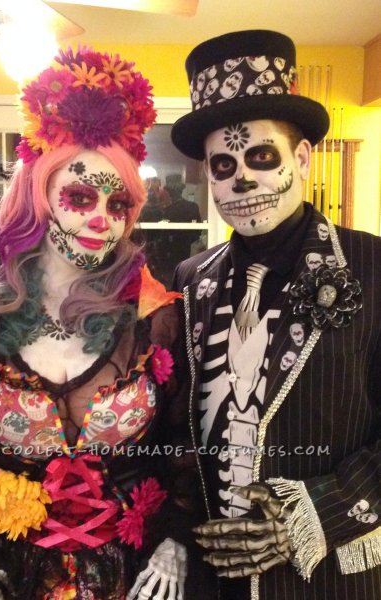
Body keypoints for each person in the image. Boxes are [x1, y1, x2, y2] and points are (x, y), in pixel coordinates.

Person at [0, 46, 182, 600]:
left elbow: (181, 439)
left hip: (132, 573)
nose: (101, 219)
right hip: (1, 572)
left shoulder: (155, 320)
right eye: (80, 196)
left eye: (118, 204)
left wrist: (175, 540)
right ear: (39, 195)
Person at [138, 29, 380, 600]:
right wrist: (174, 529)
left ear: (302, 158)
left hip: (326, 579)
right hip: (211, 574)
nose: (241, 179)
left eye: (261, 156)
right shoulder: (191, 278)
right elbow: (176, 425)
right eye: (223, 164)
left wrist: (315, 513)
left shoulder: (373, 267)